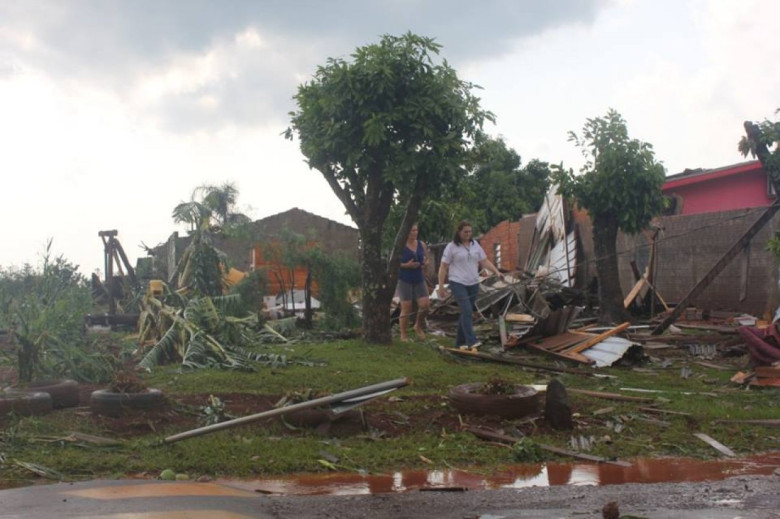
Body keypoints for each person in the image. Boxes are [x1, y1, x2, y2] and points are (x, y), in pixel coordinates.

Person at [437, 220, 503, 350]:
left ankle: (459, 342)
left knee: (466, 312)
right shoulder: (451, 247)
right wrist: (440, 286)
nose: (468, 234)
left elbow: (484, 261)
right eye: (465, 232)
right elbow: (443, 266)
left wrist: (496, 271)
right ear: (459, 232)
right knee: (467, 310)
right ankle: (471, 341)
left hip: (473, 283)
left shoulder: (475, 245)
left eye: (470, 231)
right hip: (457, 282)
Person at [397, 223, 430, 342]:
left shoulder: (421, 244)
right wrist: (406, 265)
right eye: (411, 231)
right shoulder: (400, 246)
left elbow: (427, 258)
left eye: (416, 230)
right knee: (406, 308)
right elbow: (393, 263)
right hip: (404, 278)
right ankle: (403, 335)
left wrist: (426, 264)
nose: (414, 233)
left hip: (419, 277)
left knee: (425, 304)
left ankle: (418, 326)